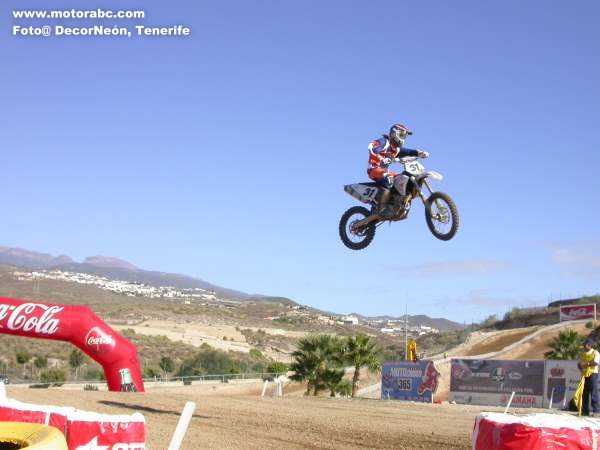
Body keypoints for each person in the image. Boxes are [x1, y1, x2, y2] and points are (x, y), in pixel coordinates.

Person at [367, 123, 429, 217]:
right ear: (394, 133)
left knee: (401, 179)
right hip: (374, 169)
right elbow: (372, 148)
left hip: (384, 171)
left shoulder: (396, 149)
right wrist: (381, 158)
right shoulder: (384, 142)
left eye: (404, 136)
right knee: (389, 178)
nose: (403, 137)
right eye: (402, 134)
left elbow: (407, 151)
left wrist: (419, 153)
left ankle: (393, 203)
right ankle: (381, 209)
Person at [578, 338, 600, 416]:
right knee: (584, 393)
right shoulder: (582, 354)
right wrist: (580, 367)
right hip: (584, 375)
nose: (584, 346)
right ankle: (585, 411)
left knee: (594, 393)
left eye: (585, 345)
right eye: (583, 345)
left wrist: (586, 365)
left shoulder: (595, 353)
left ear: (589, 345)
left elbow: (596, 362)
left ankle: (596, 411)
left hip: (593, 374)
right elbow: (579, 363)